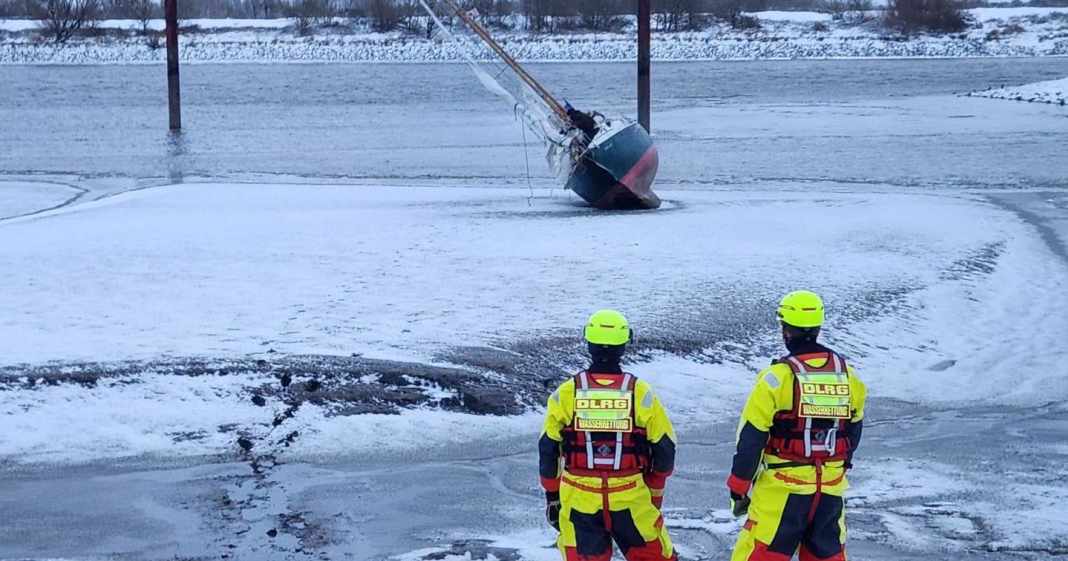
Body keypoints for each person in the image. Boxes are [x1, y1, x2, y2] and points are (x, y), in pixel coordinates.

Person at [726, 290, 867, 561]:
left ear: (785, 329)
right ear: (817, 326)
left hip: (782, 492)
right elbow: (853, 429)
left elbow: (751, 439)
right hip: (830, 491)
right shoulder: (848, 375)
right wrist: (836, 468)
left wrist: (739, 486)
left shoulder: (776, 378)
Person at [539, 309, 679, 561]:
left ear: (589, 343)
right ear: (624, 345)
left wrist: (552, 497)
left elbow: (548, 448)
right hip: (630, 495)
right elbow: (664, 450)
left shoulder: (567, 392)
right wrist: (654, 494)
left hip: (578, 497)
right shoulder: (640, 392)